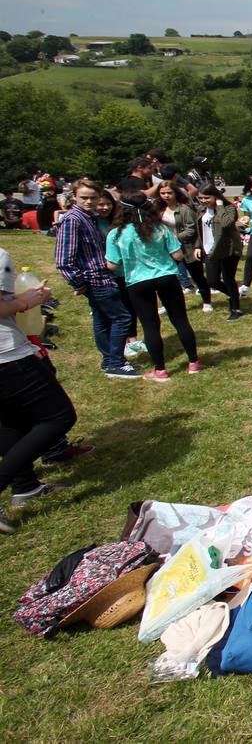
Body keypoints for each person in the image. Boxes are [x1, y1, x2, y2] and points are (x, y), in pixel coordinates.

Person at [0, 247, 78, 534]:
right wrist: (26, 300)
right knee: (58, 417)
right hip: (7, 357)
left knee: (11, 419)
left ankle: (25, 486)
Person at [104, 196, 200, 381]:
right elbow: (178, 255)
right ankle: (193, 362)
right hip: (167, 278)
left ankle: (160, 370)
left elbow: (112, 265)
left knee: (150, 325)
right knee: (180, 320)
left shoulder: (115, 234)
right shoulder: (160, 228)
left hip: (137, 282)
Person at [54, 181, 138, 377]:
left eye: (93, 197)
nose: (89, 201)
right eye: (84, 197)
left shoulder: (88, 218)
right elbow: (63, 261)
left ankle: (109, 360)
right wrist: (80, 284)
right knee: (122, 318)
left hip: (101, 277)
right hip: (95, 280)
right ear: (74, 196)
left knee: (102, 320)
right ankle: (116, 362)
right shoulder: (73, 220)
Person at [157, 180, 212, 312]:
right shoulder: (158, 210)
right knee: (166, 279)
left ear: (176, 193)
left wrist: (173, 238)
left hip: (187, 248)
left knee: (197, 276)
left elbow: (192, 230)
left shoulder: (184, 209)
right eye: (162, 193)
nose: (166, 196)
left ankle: (207, 302)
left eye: (169, 193)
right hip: (166, 250)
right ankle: (167, 304)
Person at [195, 185, 244, 320]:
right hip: (209, 249)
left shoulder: (229, 208)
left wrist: (219, 206)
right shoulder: (201, 210)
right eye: (201, 198)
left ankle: (235, 308)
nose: (203, 201)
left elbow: (226, 223)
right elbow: (200, 230)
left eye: (207, 198)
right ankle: (233, 295)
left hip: (228, 249)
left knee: (228, 279)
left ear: (216, 197)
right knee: (212, 281)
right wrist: (198, 246)